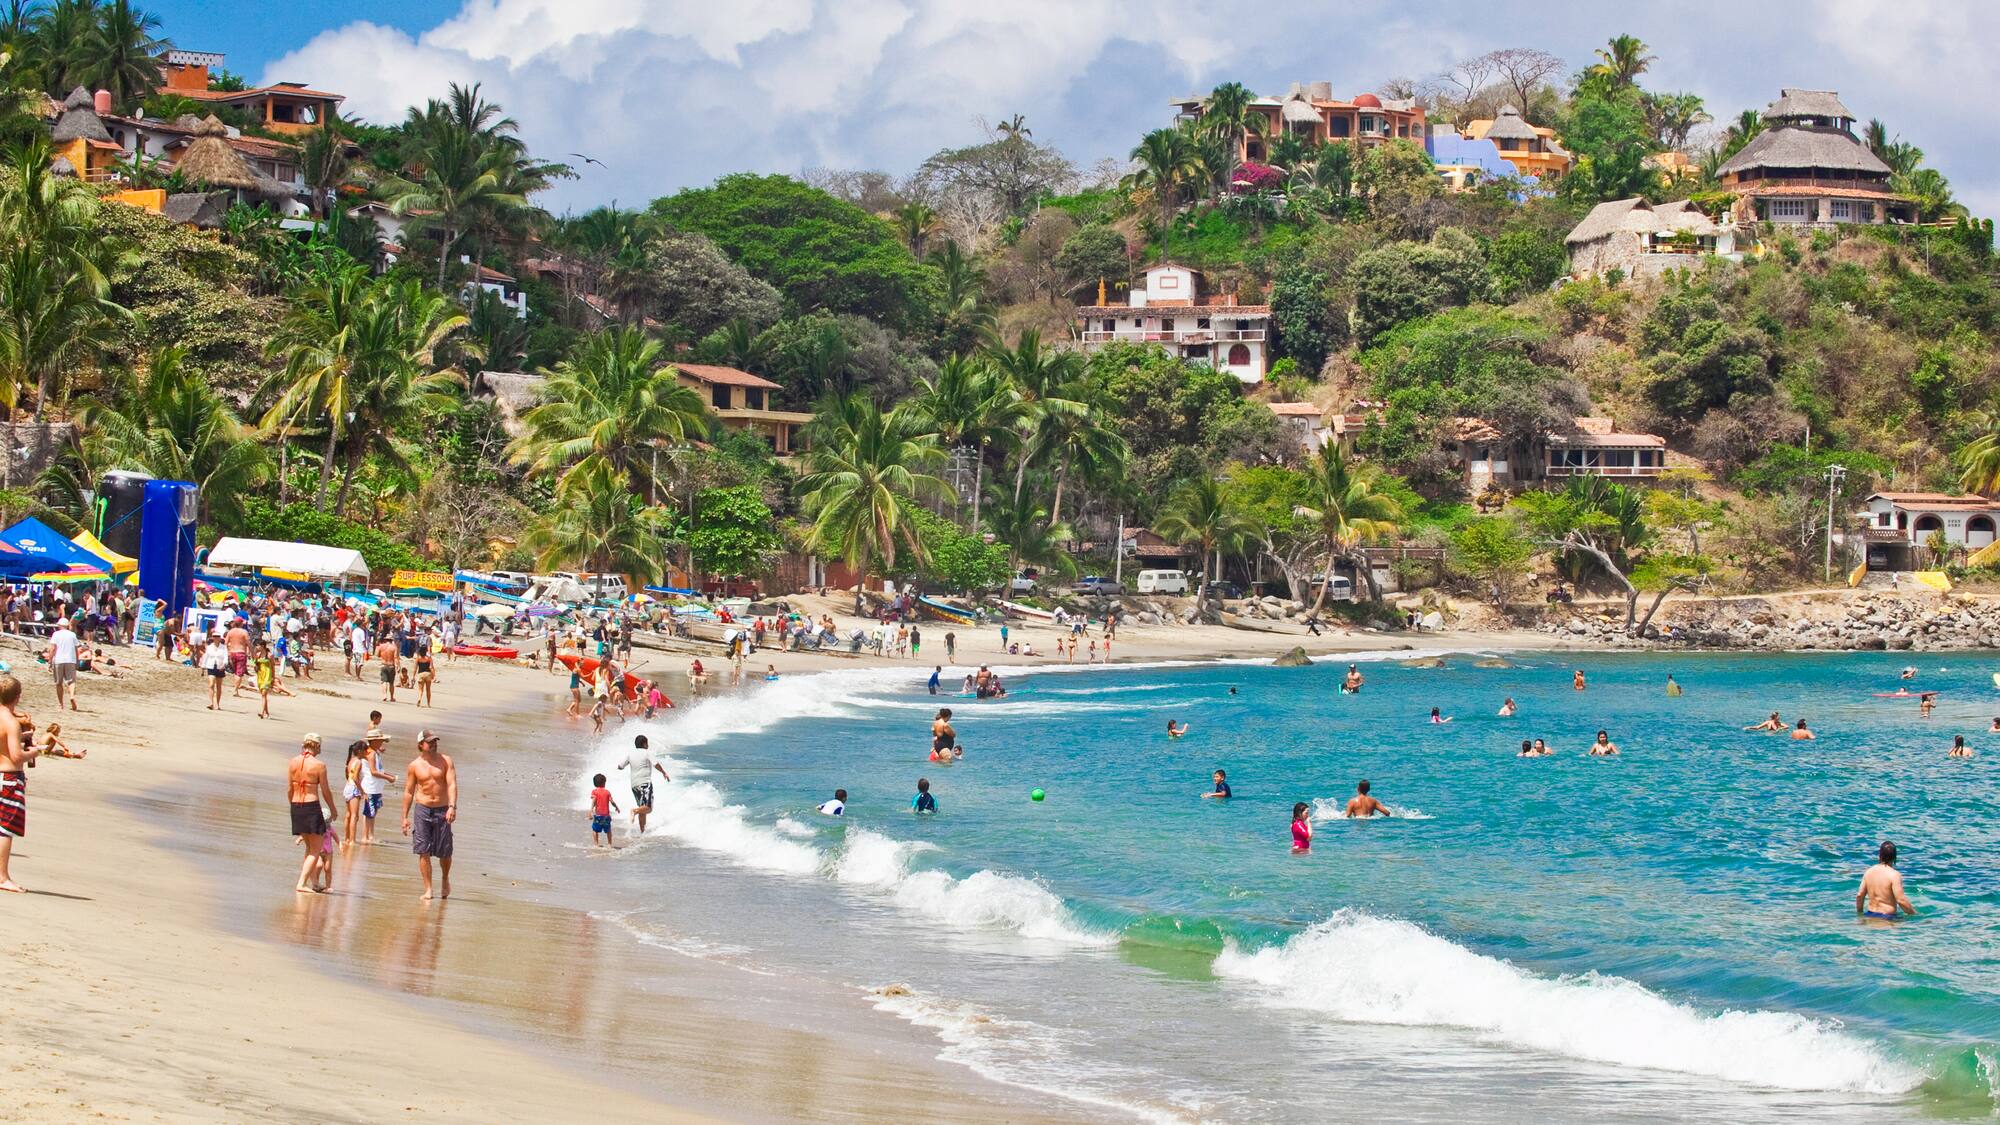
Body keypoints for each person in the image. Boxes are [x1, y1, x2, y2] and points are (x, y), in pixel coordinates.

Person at [400, 730, 458, 901]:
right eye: (429, 742)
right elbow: (409, 792)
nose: (433, 744)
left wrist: (452, 807)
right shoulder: (414, 766)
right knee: (423, 850)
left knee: (445, 852)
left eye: (435, 742)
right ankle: (428, 889)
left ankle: (445, 878)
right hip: (422, 809)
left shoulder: (446, 761)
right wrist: (404, 817)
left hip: (442, 809)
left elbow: (452, 785)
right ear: (420, 745)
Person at [287, 734, 337, 894]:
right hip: (311, 806)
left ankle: (314, 882)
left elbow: (289, 789)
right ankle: (301, 883)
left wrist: (293, 807)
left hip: (296, 805)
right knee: (315, 849)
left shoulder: (293, 762)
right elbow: (325, 791)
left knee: (309, 848)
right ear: (317, 746)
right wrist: (333, 809)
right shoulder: (319, 765)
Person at [0, 674, 36, 893]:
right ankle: (2, 877)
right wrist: (33, 752)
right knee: (5, 830)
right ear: (18, 696)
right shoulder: (11, 722)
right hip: (9, 778)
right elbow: (15, 756)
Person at [620, 734, 669, 833]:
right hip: (645, 783)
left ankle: (642, 832)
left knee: (642, 809)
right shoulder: (647, 753)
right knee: (648, 808)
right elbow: (656, 764)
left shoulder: (630, 754)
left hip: (634, 785)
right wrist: (664, 772)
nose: (648, 745)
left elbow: (620, 766)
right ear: (644, 744)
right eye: (647, 743)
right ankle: (634, 811)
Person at [1856, 841, 1916, 920]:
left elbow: (1860, 895)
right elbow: (1901, 900)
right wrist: (1915, 914)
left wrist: (1860, 915)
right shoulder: (1894, 875)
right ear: (1895, 857)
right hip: (1888, 918)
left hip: (1869, 916)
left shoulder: (1869, 872)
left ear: (1880, 855)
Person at [357, 729, 395, 846]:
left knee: (373, 812)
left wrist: (387, 775)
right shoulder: (371, 753)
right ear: (373, 741)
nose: (382, 743)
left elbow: (378, 770)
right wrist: (387, 778)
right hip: (371, 787)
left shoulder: (374, 752)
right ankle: (365, 836)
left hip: (376, 787)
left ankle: (371, 835)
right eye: (380, 741)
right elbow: (373, 772)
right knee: (369, 812)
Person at [44, 618, 79, 712]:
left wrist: (50, 660)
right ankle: (71, 696)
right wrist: (77, 660)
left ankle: (60, 704)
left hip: (59, 660)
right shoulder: (72, 635)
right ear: (67, 625)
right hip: (70, 660)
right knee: (71, 681)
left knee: (59, 683)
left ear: (59, 625)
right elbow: (76, 649)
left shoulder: (56, 634)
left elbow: (53, 649)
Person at [225, 616, 253, 698]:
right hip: (241, 653)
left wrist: (227, 652)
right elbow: (249, 644)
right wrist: (252, 653)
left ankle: (235, 687)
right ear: (240, 624)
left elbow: (226, 643)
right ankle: (235, 690)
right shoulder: (244, 632)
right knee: (239, 673)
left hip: (232, 653)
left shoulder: (230, 632)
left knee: (235, 671)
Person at [589, 773, 619, 847]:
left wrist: (591, 810)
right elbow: (612, 802)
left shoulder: (594, 791)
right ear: (604, 783)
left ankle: (596, 844)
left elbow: (594, 800)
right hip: (606, 816)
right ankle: (609, 844)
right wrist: (616, 807)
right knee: (608, 830)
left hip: (598, 815)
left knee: (595, 830)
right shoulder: (607, 792)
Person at [200, 633, 228, 710]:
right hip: (211, 666)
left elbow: (226, 657)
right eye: (214, 636)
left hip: (220, 667)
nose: (216, 638)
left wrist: (224, 664)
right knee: (211, 684)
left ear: (220, 638)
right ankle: (211, 703)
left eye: (217, 636)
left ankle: (217, 704)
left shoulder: (223, 647)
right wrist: (203, 666)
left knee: (218, 686)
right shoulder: (209, 647)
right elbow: (206, 656)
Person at [375, 633, 399, 702]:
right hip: (391, 665)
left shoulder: (381, 646)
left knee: (384, 681)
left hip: (383, 665)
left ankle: (384, 695)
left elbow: (377, 655)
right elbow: (395, 658)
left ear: (385, 640)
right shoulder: (394, 647)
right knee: (391, 683)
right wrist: (397, 666)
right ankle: (391, 697)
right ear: (392, 640)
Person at [414, 644, 434, 708]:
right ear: (426, 651)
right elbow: (431, 667)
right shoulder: (429, 658)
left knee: (420, 690)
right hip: (428, 674)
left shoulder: (418, 658)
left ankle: (419, 699)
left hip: (421, 674)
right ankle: (428, 704)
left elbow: (415, 668)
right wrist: (433, 675)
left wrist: (413, 676)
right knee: (428, 690)